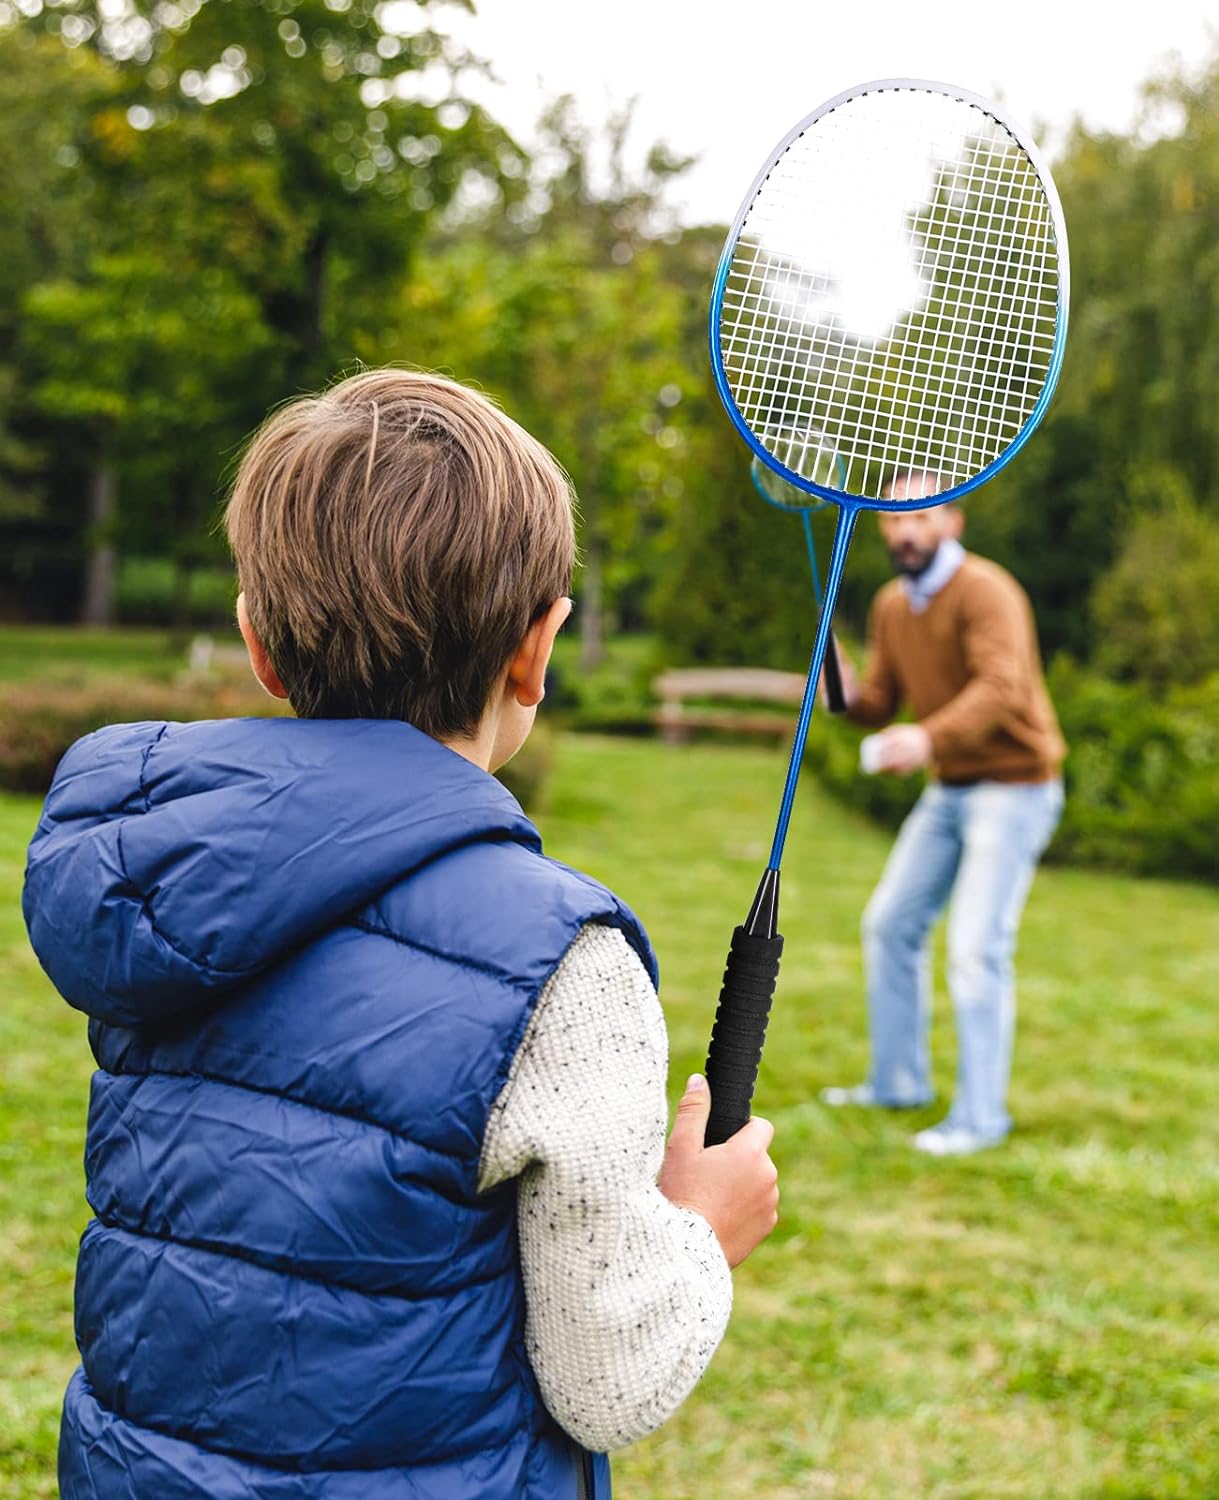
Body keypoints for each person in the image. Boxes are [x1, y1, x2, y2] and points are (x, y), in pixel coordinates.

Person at [23, 369, 779, 1500]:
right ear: (538, 650)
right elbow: (607, 1378)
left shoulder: (148, 885)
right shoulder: (561, 963)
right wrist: (701, 1228)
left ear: (260, 646)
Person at [820, 468, 1066, 1156]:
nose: (906, 529)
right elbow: (875, 703)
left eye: (921, 515)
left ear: (951, 521)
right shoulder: (892, 605)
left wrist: (925, 739)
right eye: (895, 519)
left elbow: (1000, 687)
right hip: (950, 788)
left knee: (974, 948)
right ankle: (897, 1080)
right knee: (890, 924)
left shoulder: (986, 590)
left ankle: (979, 1118)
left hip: (1015, 786)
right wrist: (834, 682)